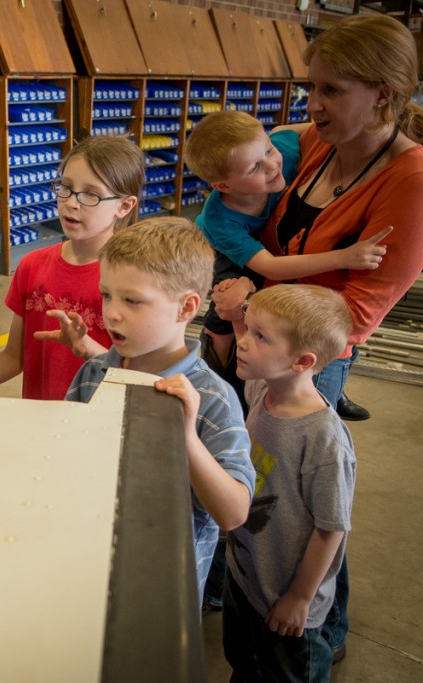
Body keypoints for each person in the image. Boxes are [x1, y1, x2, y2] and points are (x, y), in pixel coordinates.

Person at [213, 13, 423, 660]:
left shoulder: (409, 179)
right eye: (311, 87)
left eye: (331, 90)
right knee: (248, 465)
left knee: (306, 499)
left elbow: (363, 307)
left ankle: (316, 623)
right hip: (258, 328)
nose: (313, 104)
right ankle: (241, 581)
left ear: (382, 94)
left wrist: (262, 312)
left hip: (305, 354)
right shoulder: (309, 141)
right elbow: (239, 179)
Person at [64, 217, 255, 600]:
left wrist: (185, 437)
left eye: (132, 300)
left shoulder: (210, 398)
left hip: (165, 584)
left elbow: (234, 513)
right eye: (106, 295)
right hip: (90, 561)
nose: (112, 313)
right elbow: (66, 452)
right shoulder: (95, 373)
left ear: (186, 307)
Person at [184, 111, 389, 392]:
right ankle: (216, 375)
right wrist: (345, 256)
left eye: (268, 149)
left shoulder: (286, 154)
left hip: (259, 241)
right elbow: (270, 266)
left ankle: (336, 389)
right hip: (220, 250)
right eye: (254, 167)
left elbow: (289, 128)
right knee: (227, 303)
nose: (271, 165)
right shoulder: (221, 220)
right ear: (223, 186)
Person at [224, 284, 356, 681]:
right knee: (243, 663)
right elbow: (251, 349)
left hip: (286, 596)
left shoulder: (322, 439)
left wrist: (299, 597)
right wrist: (235, 317)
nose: (243, 343)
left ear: (302, 361)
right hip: (246, 572)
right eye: (247, 329)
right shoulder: (265, 387)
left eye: (259, 336)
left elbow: (331, 527)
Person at [0, 135, 142, 399]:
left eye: (90, 194)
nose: (71, 202)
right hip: (42, 427)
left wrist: (88, 348)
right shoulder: (32, 266)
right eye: (65, 187)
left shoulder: (134, 278)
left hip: (100, 430)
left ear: (124, 206)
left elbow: (138, 376)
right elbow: (12, 357)